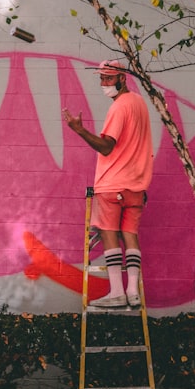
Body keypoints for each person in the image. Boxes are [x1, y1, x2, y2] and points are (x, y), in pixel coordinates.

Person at [62, 59, 154, 307]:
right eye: (102, 78)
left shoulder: (119, 107)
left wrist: (79, 130)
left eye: (109, 78)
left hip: (113, 183)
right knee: (130, 235)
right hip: (137, 184)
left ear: (122, 78)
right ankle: (133, 292)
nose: (104, 83)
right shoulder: (139, 103)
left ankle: (117, 293)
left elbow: (106, 147)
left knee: (109, 234)